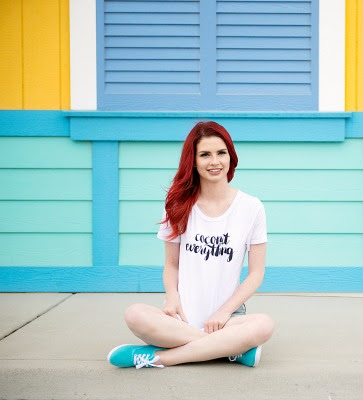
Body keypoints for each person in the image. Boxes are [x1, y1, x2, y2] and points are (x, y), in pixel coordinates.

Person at [107, 121, 275, 369]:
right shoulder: (178, 205)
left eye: (221, 153)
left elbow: (256, 273)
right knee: (134, 314)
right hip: (181, 319)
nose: (215, 161)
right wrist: (171, 298)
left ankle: (159, 358)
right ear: (193, 161)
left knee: (264, 325)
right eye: (205, 154)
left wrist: (224, 312)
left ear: (230, 156)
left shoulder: (252, 207)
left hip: (227, 319)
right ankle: (229, 350)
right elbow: (171, 264)